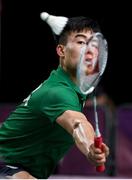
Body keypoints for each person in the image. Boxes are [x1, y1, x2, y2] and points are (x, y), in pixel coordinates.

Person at [0, 12, 109, 179]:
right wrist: (89, 148)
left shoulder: (74, 87)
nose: (89, 50)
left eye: (93, 45)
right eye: (81, 42)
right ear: (61, 50)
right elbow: (77, 124)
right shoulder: (58, 92)